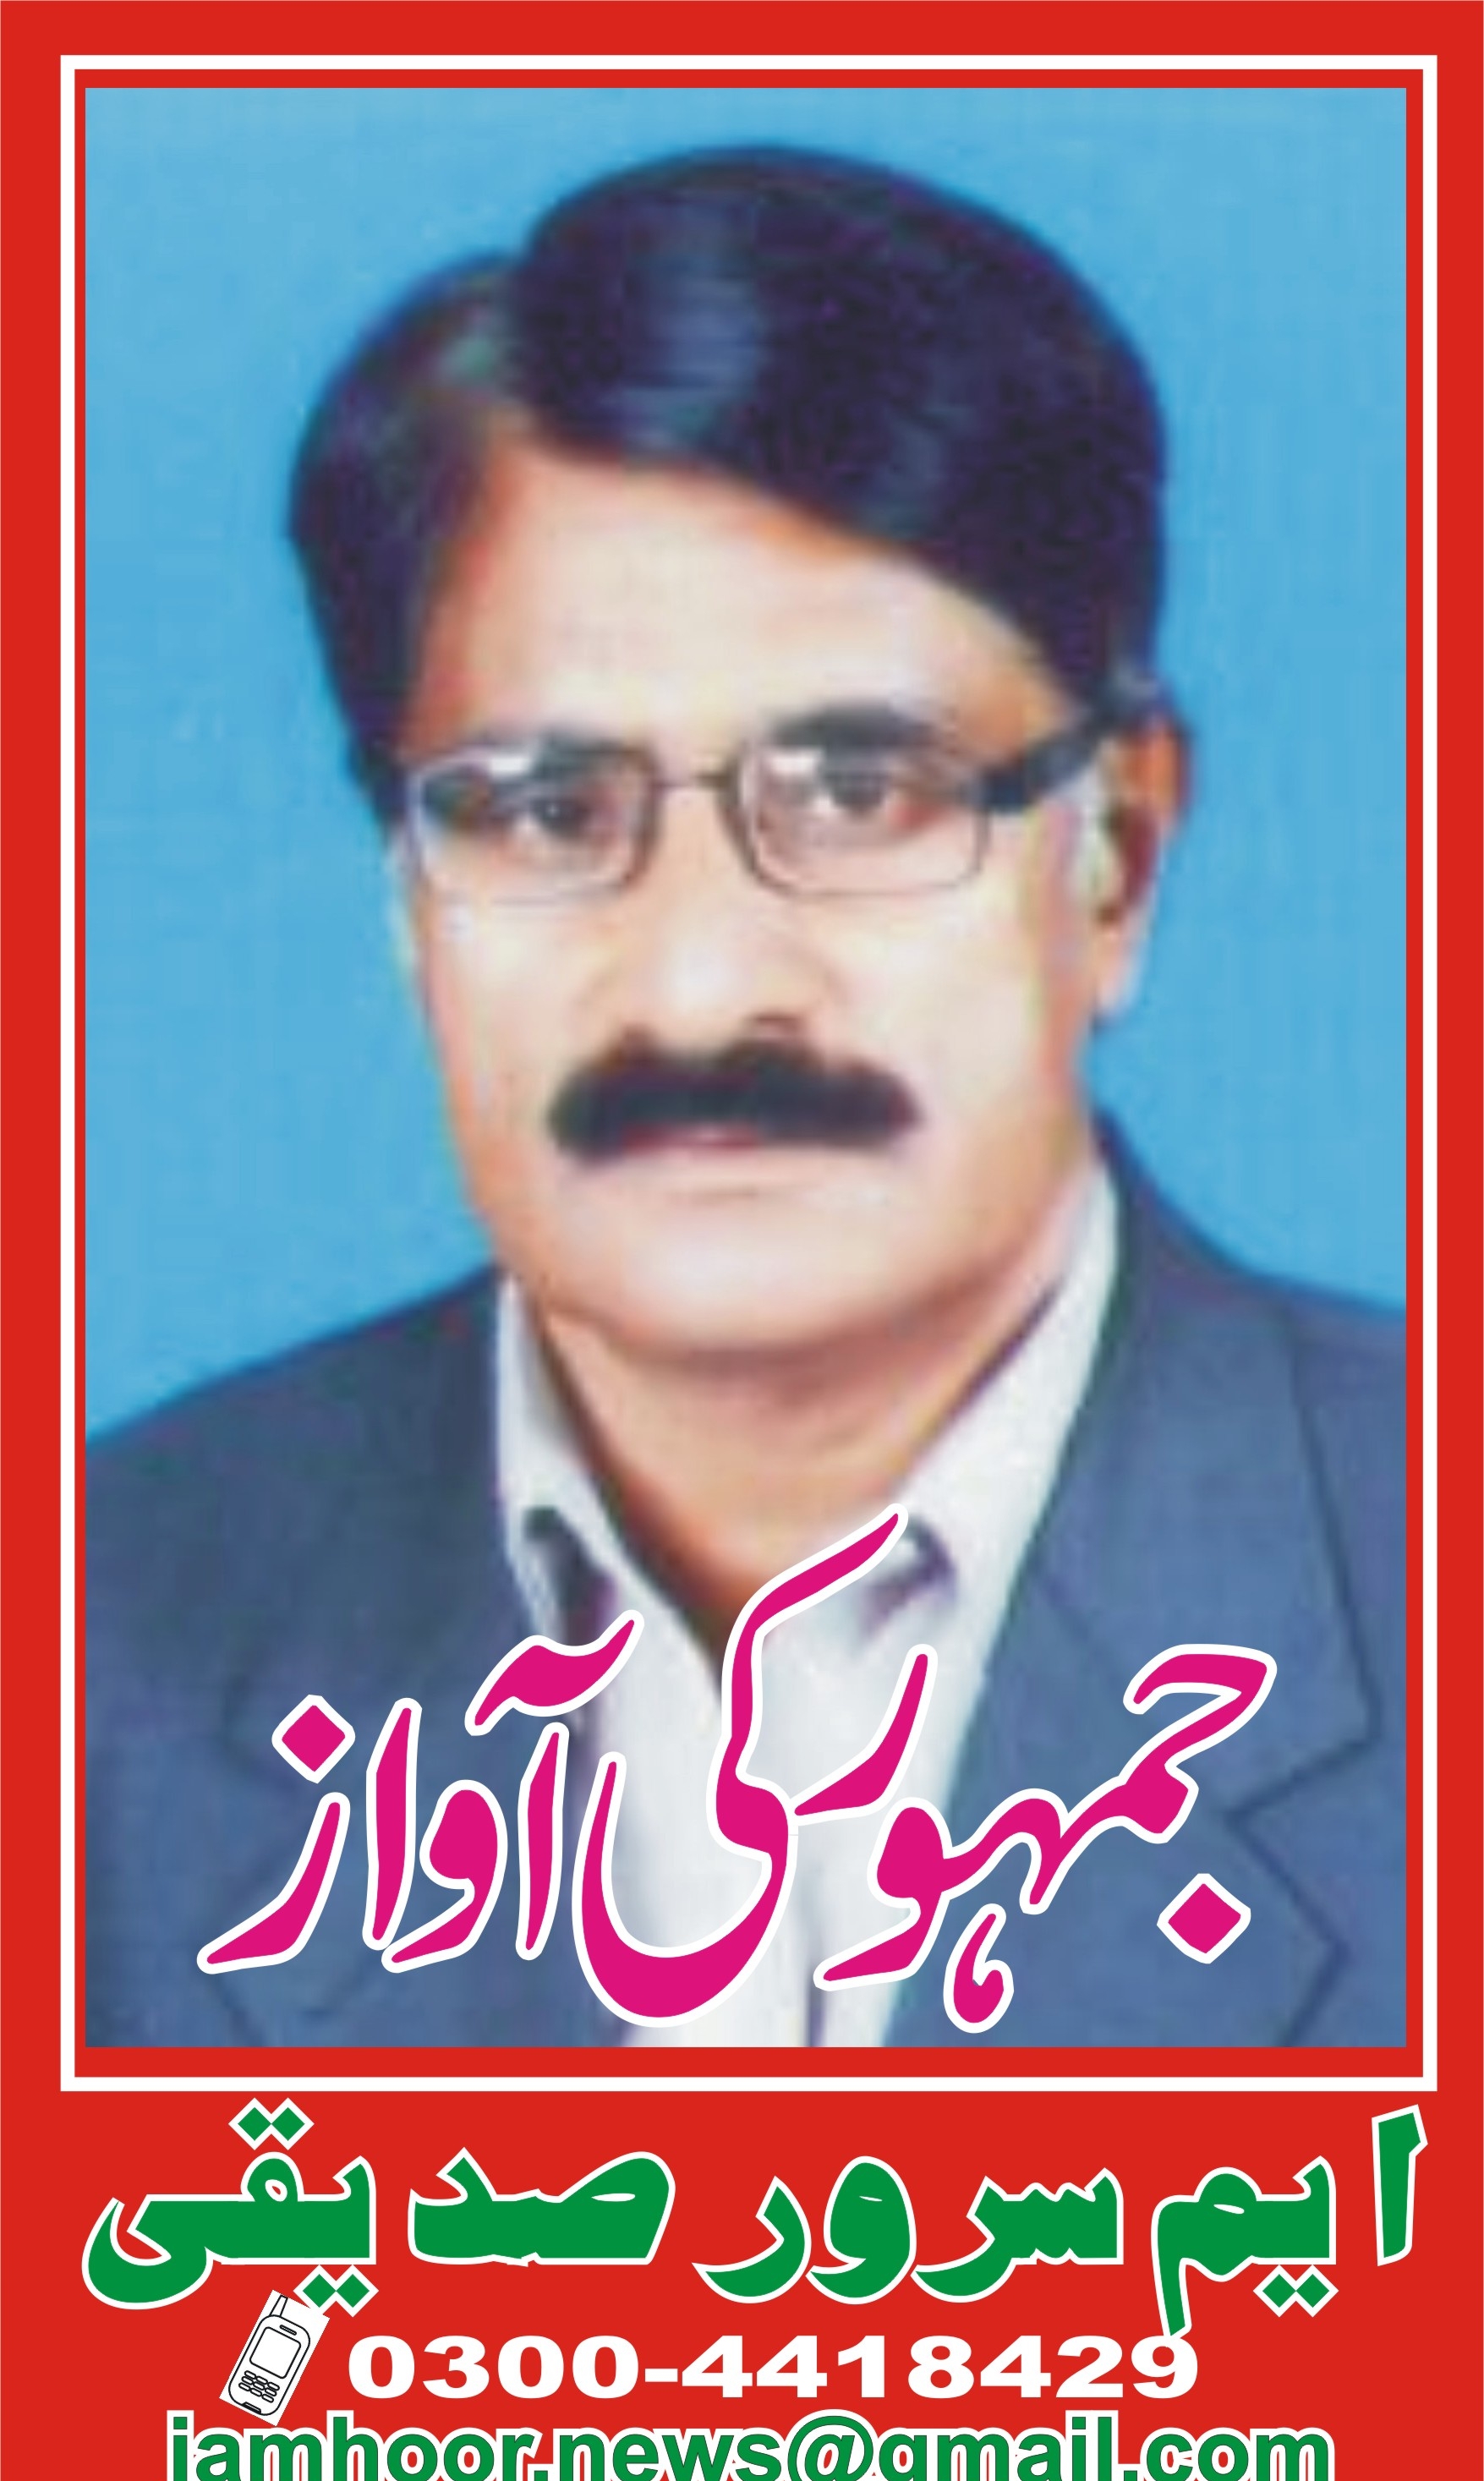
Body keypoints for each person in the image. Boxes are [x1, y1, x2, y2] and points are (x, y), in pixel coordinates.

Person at [86, 145, 1405, 2051]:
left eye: (860, 793)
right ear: (405, 893)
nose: (701, 985)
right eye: (544, 809)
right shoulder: (86, 1648)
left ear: (1115, 852)